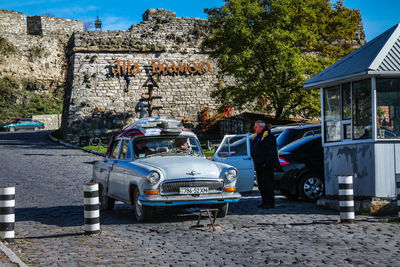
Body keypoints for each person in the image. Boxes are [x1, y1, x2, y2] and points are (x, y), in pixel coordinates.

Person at [250, 120, 280, 209]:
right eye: (254, 126)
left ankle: (270, 203)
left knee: (268, 185)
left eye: (256, 127)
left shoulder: (268, 136)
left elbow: (271, 151)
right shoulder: (257, 136)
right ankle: (264, 202)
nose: (254, 128)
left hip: (266, 165)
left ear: (262, 127)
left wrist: (266, 162)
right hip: (259, 164)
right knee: (261, 185)